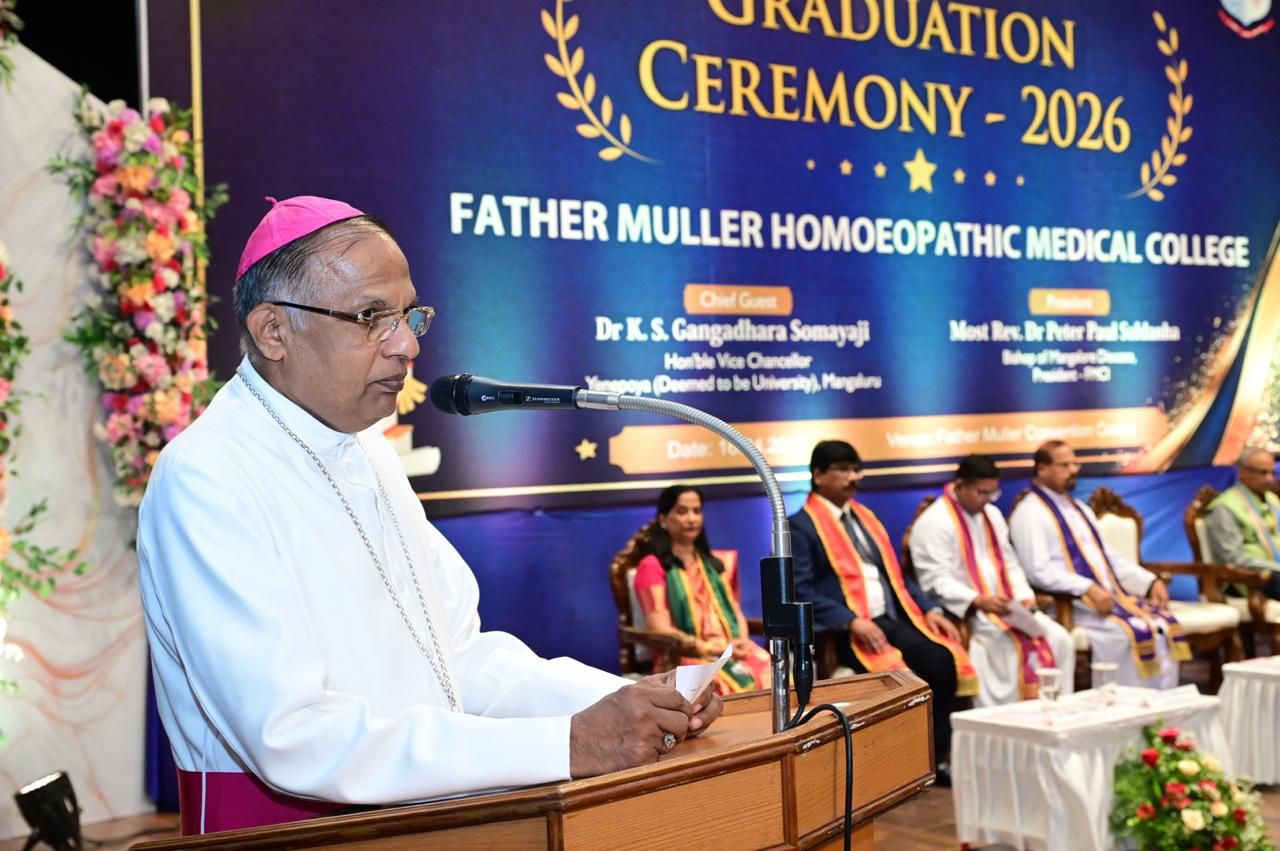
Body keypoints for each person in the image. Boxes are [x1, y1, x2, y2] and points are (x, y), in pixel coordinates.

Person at [137, 196, 722, 834]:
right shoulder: (208, 475)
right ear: (273, 331)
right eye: (371, 317)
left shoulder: (366, 449)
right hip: (287, 835)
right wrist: (569, 742)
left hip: (429, 820)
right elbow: (292, 737)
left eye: (409, 315)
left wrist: (625, 701)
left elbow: (456, 660)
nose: (407, 344)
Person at [789, 440, 977, 782]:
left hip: (890, 618)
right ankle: (898, 766)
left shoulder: (866, 519)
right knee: (904, 675)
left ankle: (934, 759)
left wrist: (930, 609)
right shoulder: (800, 526)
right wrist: (850, 621)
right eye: (843, 470)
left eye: (856, 469)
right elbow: (801, 590)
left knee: (941, 660)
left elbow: (896, 577)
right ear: (818, 475)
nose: (853, 477)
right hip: (845, 630)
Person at [1008, 440, 1189, 688]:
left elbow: (1108, 560)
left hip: (1105, 600)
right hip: (1070, 604)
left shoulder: (1079, 509)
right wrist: (1087, 588)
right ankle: (1121, 704)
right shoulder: (1029, 512)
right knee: (1127, 633)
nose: (1074, 470)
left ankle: (1160, 708)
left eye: (1074, 463)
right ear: (1042, 469)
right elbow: (1037, 571)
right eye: (1064, 465)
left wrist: (1149, 582)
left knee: (1161, 626)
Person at [910, 455, 1075, 706]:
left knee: (1060, 638)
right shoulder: (934, 522)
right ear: (960, 485)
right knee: (1004, 647)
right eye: (981, 493)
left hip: (1007, 607)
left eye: (993, 493)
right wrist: (977, 600)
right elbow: (934, 580)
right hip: (970, 614)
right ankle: (1005, 723)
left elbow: (1009, 561)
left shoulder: (992, 515)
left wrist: (1023, 595)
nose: (987, 500)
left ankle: (1059, 712)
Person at [634, 485, 772, 694]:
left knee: (771, 668)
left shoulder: (715, 564)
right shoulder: (652, 566)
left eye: (697, 511)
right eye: (682, 512)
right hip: (684, 654)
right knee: (718, 685)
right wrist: (708, 648)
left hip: (728, 648)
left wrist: (741, 641)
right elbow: (659, 628)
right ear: (663, 519)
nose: (692, 519)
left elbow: (734, 611)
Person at [1205, 447, 1280, 599]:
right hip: (1249, 579)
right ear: (1242, 471)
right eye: (1262, 473)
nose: (1269, 479)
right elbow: (1232, 558)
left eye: (1272, 473)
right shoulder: (1225, 507)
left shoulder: (1272, 499)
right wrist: (1275, 567)